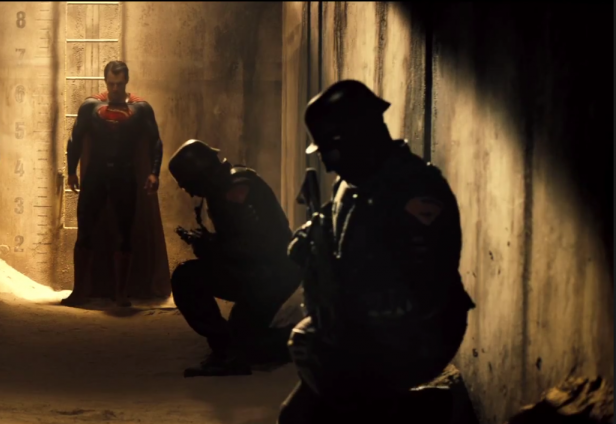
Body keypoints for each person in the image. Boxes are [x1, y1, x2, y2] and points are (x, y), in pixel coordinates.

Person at [277, 80, 475, 423]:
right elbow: (337, 233)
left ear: (356, 138)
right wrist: (312, 242)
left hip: (418, 332)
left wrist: (346, 319)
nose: (328, 165)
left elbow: (423, 286)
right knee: (296, 416)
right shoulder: (351, 184)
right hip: (360, 328)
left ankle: (414, 410)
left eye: (331, 153)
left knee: (319, 361)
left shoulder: (414, 189)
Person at [167, 139, 303, 377]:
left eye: (188, 184)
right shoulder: (230, 183)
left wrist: (209, 246)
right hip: (269, 274)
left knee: (186, 277)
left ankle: (226, 355)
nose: (188, 191)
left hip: (268, 276)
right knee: (245, 340)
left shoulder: (235, 190)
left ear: (200, 175)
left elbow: (257, 247)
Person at [63, 60, 170, 308]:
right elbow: (75, 139)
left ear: (126, 82)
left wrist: (154, 173)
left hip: (125, 174)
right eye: (111, 83)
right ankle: (79, 291)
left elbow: (155, 142)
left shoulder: (141, 108)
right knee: (85, 230)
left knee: (125, 232)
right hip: (96, 175)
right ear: (105, 81)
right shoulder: (91, 106)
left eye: (119, 84)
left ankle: (121, 294)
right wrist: (71, 172)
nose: (114, 89)